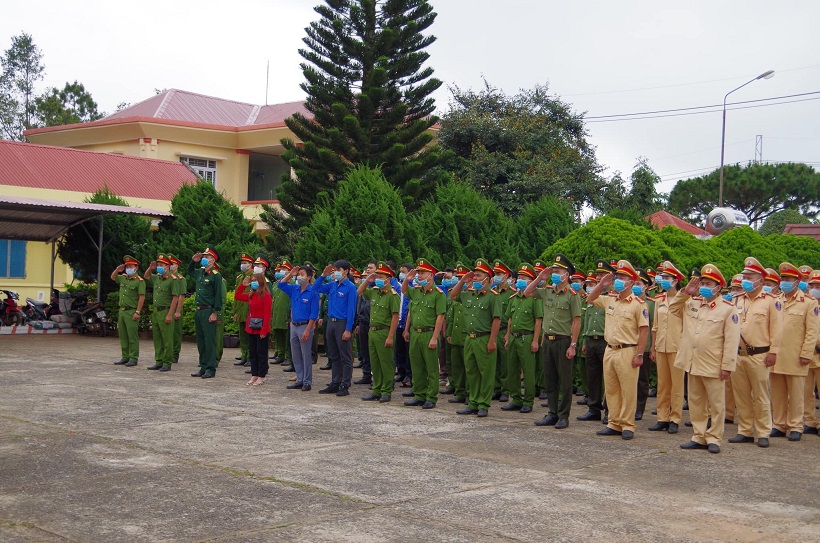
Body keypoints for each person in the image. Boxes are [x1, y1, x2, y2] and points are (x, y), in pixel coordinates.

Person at [671, 264, 739, 454]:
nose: (703, 287)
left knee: (716, 404)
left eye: (708, 283)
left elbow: (731, 341)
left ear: (718, 287)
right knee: (696, 401)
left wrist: (727, 366)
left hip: (714, 364)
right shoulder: (692, 303)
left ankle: (714, 438)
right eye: (702, 283)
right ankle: (698, 435)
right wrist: (685, 292)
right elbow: (673, 309)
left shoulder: (727, 309)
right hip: (693, 362)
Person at [585, 260, 649, 440]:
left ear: (631, 281)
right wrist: (601, 284)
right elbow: (590, 299)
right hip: (610, 349)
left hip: (628, 350)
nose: (618, 280)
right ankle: (614, 423)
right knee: (611, 389)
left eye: (622, 277)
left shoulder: (638, 303)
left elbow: (643, 331)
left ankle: (628, 425)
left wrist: (639, 354)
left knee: (628, 390)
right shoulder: (610, 299)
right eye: (617, 277)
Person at [729, 257, 782, 448]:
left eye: (749, 277)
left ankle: (763, 432)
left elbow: (776, 329)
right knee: (741, 395)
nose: (745, 280)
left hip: (759, 354)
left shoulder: (771, 302)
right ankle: (745, 430)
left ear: (760, 280)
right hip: (738, 355)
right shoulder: (737, 299)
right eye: (744, 276)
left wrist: (773, 352)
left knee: (760, 396)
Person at [525, 254, 582, 430]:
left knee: (564, 381)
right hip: (548, 341)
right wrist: (539, 278)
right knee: (550, 379)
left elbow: (576, 321)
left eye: (558, 271)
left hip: (563, 341)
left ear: (567, 274)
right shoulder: (547, 290)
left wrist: (573, 344)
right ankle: (552, 413)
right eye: (553, 271)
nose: (554, 274)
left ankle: (563, 415)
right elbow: (527, 292)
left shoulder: (572, 295)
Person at [769, 262, 819, 441]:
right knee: (777, 393)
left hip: (796, 355)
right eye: (782, 278)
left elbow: (812, 331)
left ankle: (796, 425)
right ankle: (779, 425)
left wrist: (806, 353)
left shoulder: (808, 303)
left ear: (797, 282)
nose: (783, 282)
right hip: (776, 355)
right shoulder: (775, 301)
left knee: (797, 394)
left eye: (787, 279)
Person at [448, 259, 503, 418]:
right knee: (471, 371)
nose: (475, 278)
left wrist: (492, 340)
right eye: (475, 275)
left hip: (484, 338)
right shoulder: (468, 295)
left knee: (485, 373)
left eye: (478, 276)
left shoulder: (493, 296)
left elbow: (496, 319)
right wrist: (463, 281)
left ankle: (483, 404)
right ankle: (473, 402)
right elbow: (453, 295)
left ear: (488, 278)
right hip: (469, 339)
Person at [402, 259, 447, 409]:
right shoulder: (415, 291)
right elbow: (404, 292)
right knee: (417, 366)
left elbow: (440, 316)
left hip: (429, 333)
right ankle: (419, 394)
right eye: (418, 272)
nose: (419, 275)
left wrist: (435, 337)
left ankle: (431, 397)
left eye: (423, 272)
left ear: (431, 275)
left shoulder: (438, 294)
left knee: (431, 367)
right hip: (415, 333)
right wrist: (407, 329)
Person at [648, 261, 686, 434]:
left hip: (677, 347)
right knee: (662, 384)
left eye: (667, 277)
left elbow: (687, 327)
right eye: (662, 277)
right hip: (661, 346)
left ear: (675, 280)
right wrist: (653, 348)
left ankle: (675, 418)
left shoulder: (684, 300)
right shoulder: (659, 300)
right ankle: (662, 417)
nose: (663, 280)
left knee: (677, 386)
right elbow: (655, 326)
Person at [312, 260, 358, 396]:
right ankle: (335, 382)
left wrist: (348, 329)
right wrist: (322, 275)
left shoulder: (350, 287)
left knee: (345, 356)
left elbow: (351, 310)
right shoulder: (332, 285)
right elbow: (315, 288)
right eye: (335, 270)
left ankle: (345, 384)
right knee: (334, 355)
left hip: (342, 323)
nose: (336, 272)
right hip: (331, 323)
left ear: (346, 271)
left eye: (339, 270)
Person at [501, 263, 543, 414]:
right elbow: (510, 319)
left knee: (528, 371)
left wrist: (535, 340)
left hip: (527, 337)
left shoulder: (534, 298)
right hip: (513, 337)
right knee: (512, 369)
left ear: (531, 280)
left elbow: (538, 320)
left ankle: (528, 401)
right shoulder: (514, 298)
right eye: (519, 277)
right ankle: (516, 399)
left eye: (524, 278)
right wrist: (507, 335)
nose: (519, 280)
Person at [358, 262, 400, 402]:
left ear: (388, 279)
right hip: (372, 331)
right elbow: (360, 291)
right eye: (377, 276)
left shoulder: (393, 295)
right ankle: (376, 389)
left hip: (384, 331)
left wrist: (390, 336)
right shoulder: (374, 291)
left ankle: (386, 391)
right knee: (375, 362)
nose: (378, 279)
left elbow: (395, 316)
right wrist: (368, 279)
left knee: (386, 363)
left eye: (381, 277)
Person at [277, 263, 321, 391]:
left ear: (309, 277)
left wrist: (308, 329)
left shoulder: (313, 292)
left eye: (302, 275)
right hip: (294, 325)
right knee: (296, 354)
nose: (299, 277)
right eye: (299, 274)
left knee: (306, 355)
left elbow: (314, 314)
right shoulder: (294, 289)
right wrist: (290, 274)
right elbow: (281, 285)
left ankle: (307, 381)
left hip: (305, 326)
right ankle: (299, 378)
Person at [577, 261, 611, 422]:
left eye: (602, 275)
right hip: (591, 340)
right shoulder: (593, 297)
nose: (598, 278)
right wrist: (584, 341)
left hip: (606, 341)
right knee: (593, 377)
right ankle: (594, 408)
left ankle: (609, 411)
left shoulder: (613, 297)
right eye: (597, 275)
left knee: (609, 379)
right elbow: (587, 320)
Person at [235, 255, 273, 385]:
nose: (253, 282)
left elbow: (267, 314)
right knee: (253, 353)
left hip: (261, 327)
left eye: (255, 280)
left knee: (261, 353)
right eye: (252, 281)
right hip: (251, 327)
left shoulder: (266, 295)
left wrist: (264, 329)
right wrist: (242, 285)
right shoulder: (251, 294)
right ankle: (254, 374)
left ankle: (262, 375)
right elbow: (238, 296)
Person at [189, 246, 224, 379]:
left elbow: (218, 295)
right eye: (203, 257)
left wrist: (215, 312)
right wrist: (193, 261)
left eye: (206, 257)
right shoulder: (200, 272)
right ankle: (203, 367)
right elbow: (190, 271)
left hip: (209, 310)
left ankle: (210, 368)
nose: (204, 259)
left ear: (213, 260)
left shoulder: (216, 275)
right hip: (199, 310)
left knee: (209, 341)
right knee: (201, 341)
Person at [145, 254, 179, 372]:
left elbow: (175, 298)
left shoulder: (172, 280)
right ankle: (158, 361)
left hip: (165, 311)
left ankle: (167, 362)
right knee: (157, 338)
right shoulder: (157, 278)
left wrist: (170, 314)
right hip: (155, 312)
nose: (159, 267)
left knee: (167, 339)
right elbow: (146, 276)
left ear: (167, 266)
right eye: (158, 265)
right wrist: (151, 267)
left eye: (161, 265)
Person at [111, 255, 146, 367]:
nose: (128, 268)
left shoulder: (139, 281)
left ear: (136, 268)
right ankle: (125, 356)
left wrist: (137, 312)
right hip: (122, 311)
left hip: (131, 311)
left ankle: (133, 357)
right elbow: (113, 277)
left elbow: (141, 297)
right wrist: (117, 270)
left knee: (132, 336)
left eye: (130, 266)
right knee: (123, 335)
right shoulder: (123, 278)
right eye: (127, 266)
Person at [445, 263, 469, 404]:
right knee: (457, 366)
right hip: (455, 335)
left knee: (468, 367)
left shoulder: (470, 296)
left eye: (462, 277)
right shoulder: (455, 295)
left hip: (467, 336)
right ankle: (459, 391)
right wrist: (449, 333)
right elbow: (451, 316)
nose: (460, 280)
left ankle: (468, 393)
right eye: (458, 277)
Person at [634, 268, 655, 421]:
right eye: (633, 282)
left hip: (644, 346)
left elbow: (653, 327)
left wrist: (653, 347)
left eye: (638, 283)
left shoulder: (651, 304)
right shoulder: (628, 301)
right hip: (628, 345)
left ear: (646, 286)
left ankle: (639, 408)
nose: (635, 286)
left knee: (642, 379)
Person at [492, 260, 514, 402]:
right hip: (494, 330)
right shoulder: (493, 293)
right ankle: (496, 388)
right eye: (495, 274)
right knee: (494, 362)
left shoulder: (511, 294)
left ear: (506, 275)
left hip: (505, 330)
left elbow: (512, 316)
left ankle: (506, 390)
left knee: (505, 364)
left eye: (499, 274)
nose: (496, 276)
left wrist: (508, 334)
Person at [354, 260, 378, 385]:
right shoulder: (366, 285)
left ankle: (377, 378)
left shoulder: (379, 286)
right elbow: (360, 303)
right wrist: (357, 322)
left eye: (371, 268)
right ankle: (366, 375)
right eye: (367, 268)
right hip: (363, 322)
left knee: (375, 353)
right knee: (365, 351)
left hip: (373, 323)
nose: (368, 270)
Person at [803, 270, 820, 436]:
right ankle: (809, 421)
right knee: (806, 391)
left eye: (818, 286)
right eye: (812, 285)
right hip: (807, 354)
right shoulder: (806, 303)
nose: (815, 289)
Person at [233, 253, 255, 367]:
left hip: (249, 310)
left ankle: (250, 357)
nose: (243, 265)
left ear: (251, 264)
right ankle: (244, 355)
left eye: (245, 263)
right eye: (242, 263)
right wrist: (235, 311)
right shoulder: (240, 278)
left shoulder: (254, 277)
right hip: (241, 310)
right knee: (242, 335)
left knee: (249, 335)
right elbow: (237, 296)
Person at [394, 263, 413, 387]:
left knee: (408, 352)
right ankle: (401, 372)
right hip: (399, 323)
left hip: (408, 322)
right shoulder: (399, 286)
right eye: (400, 271)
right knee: (399, 350)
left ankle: (409, 375)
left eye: (404, 271)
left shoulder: (412, 287)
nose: (401, 274)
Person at [272, 260, 293, 370]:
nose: (281, 272)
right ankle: (280, 354)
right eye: (281, 270)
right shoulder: (276, 284)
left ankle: (288, 356)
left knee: (287, 336)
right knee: (278, 334)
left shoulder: (292, 284)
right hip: (276, 314)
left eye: (284, 270)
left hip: (285, 314)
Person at [167, 254, 186, 364]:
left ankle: (175, 354)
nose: (170, 266)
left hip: (175, 309)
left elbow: (181, 295)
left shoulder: (180, 279)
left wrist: (178, 311)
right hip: (167, 307)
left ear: (177, 266)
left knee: (176, 333)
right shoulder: (166, 278)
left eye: (173, 264)